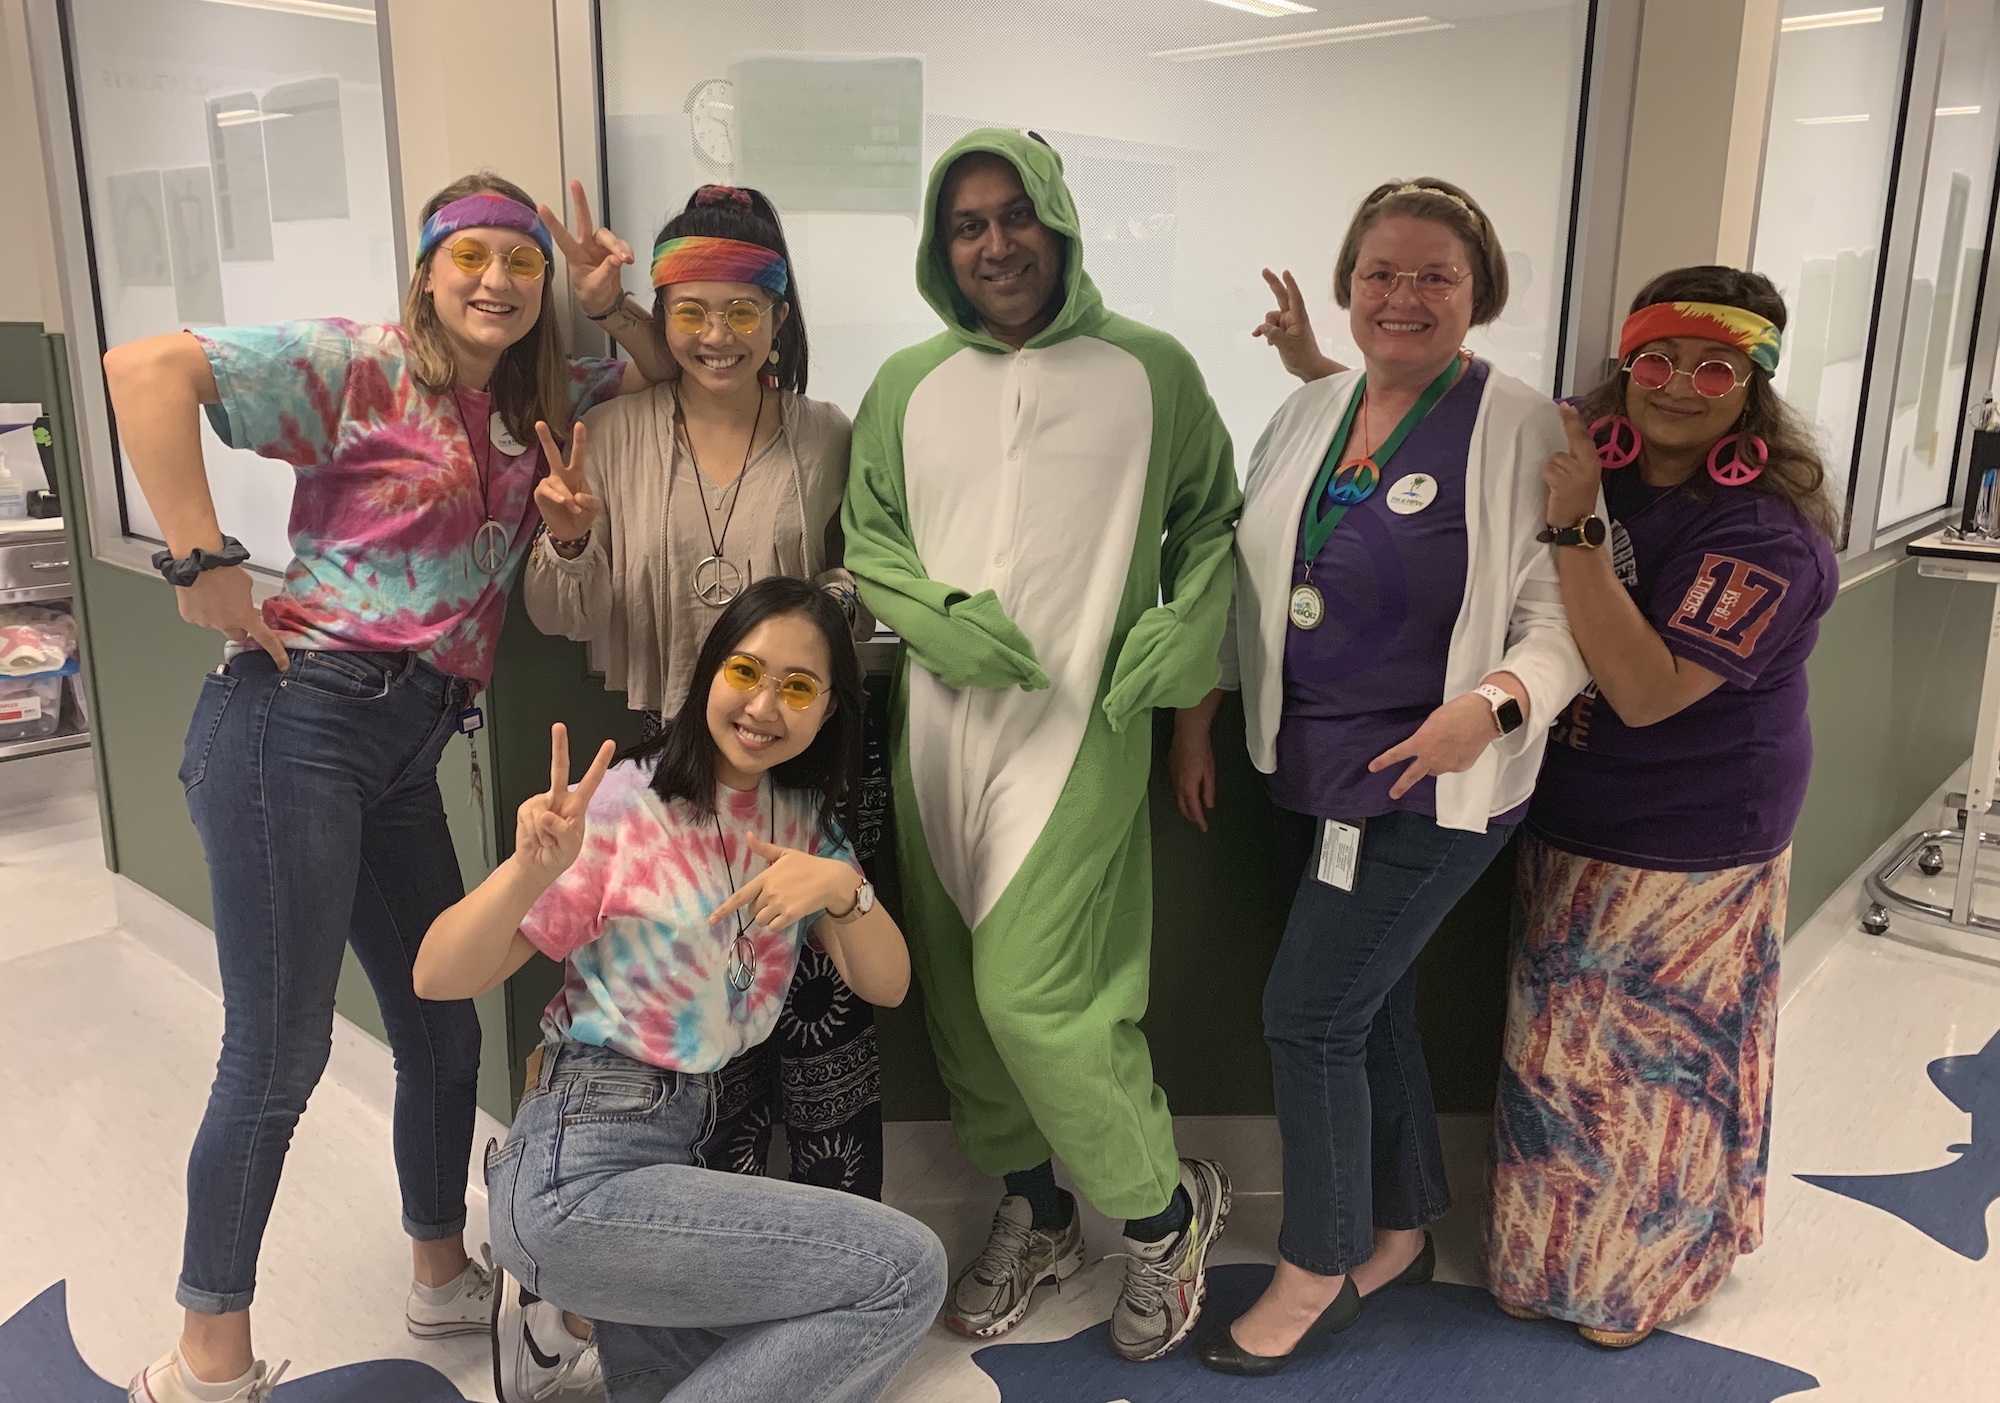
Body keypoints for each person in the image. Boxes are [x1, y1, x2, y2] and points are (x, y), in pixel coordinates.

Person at [106, 173, 653, 1403]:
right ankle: (204, 1362)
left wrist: (616, 307)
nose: (499, 283)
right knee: (281, 1049)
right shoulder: (357, 365)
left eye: (523, 264)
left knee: (442, 1025)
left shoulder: (532, 404)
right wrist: (200, 559)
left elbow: (662, 379)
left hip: (411, 742)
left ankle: (439, 1270)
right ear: (426, 270)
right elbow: (144, 368)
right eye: (473, 259)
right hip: (294, 721)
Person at [1170, 178, 1588, 1376]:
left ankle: (1318, 1263)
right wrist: (1199, 721)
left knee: (1306, 1016)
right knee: (1372, 1006)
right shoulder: (1312, 411)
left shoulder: (1521, 426)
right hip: (1312, 774)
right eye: (1379, 275)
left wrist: (1490, 706)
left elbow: (1558, 624)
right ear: (1349, 288)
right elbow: (1243, 579)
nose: (1401, 297)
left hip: (1437, 780)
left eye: (1431, 277)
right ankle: (1400, 1228)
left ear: (1477, 292)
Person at [841, 127, 1242, 1362]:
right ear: (939, 246)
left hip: (1082, 732)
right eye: (966, 224)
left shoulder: (1150, 371)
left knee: (1036, 999)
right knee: (960, 1004)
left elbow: (1211, 523)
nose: (995, 243)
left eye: (1015, 214)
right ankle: (1038, 1206)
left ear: (1059, 220)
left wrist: (1185, 664)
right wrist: (936, 625)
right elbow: (869, 540)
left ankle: (1165, 1216)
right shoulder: (905, 383)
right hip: (938, 739)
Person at [413, 577, 946, 1403]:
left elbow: (886, 982)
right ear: (708, 675)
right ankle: (559, 1296)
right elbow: (437, 975)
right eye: (745, 672)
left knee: (716, 1373)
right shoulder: (629, 805)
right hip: (577, 1161)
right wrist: (528, 871)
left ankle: (560, 1320)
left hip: (675, 1158)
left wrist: (845, 889)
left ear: (829, 709)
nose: (765, 705)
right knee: (905, 1272)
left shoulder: (804, 826)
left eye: (798, 687)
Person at [1486, 267, 1839, 1347]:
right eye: (1656, 359)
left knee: (1655, 1068)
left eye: (1714, 366)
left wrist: (1578, 526)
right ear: (1623, 365)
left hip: (1693, 836)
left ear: (1751, 390)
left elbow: (1641, 693)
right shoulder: (1588, 461)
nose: (1678, 385)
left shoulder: (1766, 539)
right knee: (1556, 1053)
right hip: (1572, 810)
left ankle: (1635, 1279)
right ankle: (1543, 1256)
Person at [524, 182, 884, 1199]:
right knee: (693, 1016)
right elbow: (561, 613)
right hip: (671, 767)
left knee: (823, 1013)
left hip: (802, 757)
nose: (714, 336)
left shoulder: (827, 435)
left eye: (740, 311)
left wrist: (817, 608)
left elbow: (869, 578)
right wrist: (571, 535)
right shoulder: (618, 431)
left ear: (779, 315)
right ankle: (709, 1253)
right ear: (664, 315)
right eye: (688, 311)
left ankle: (840, 1241)